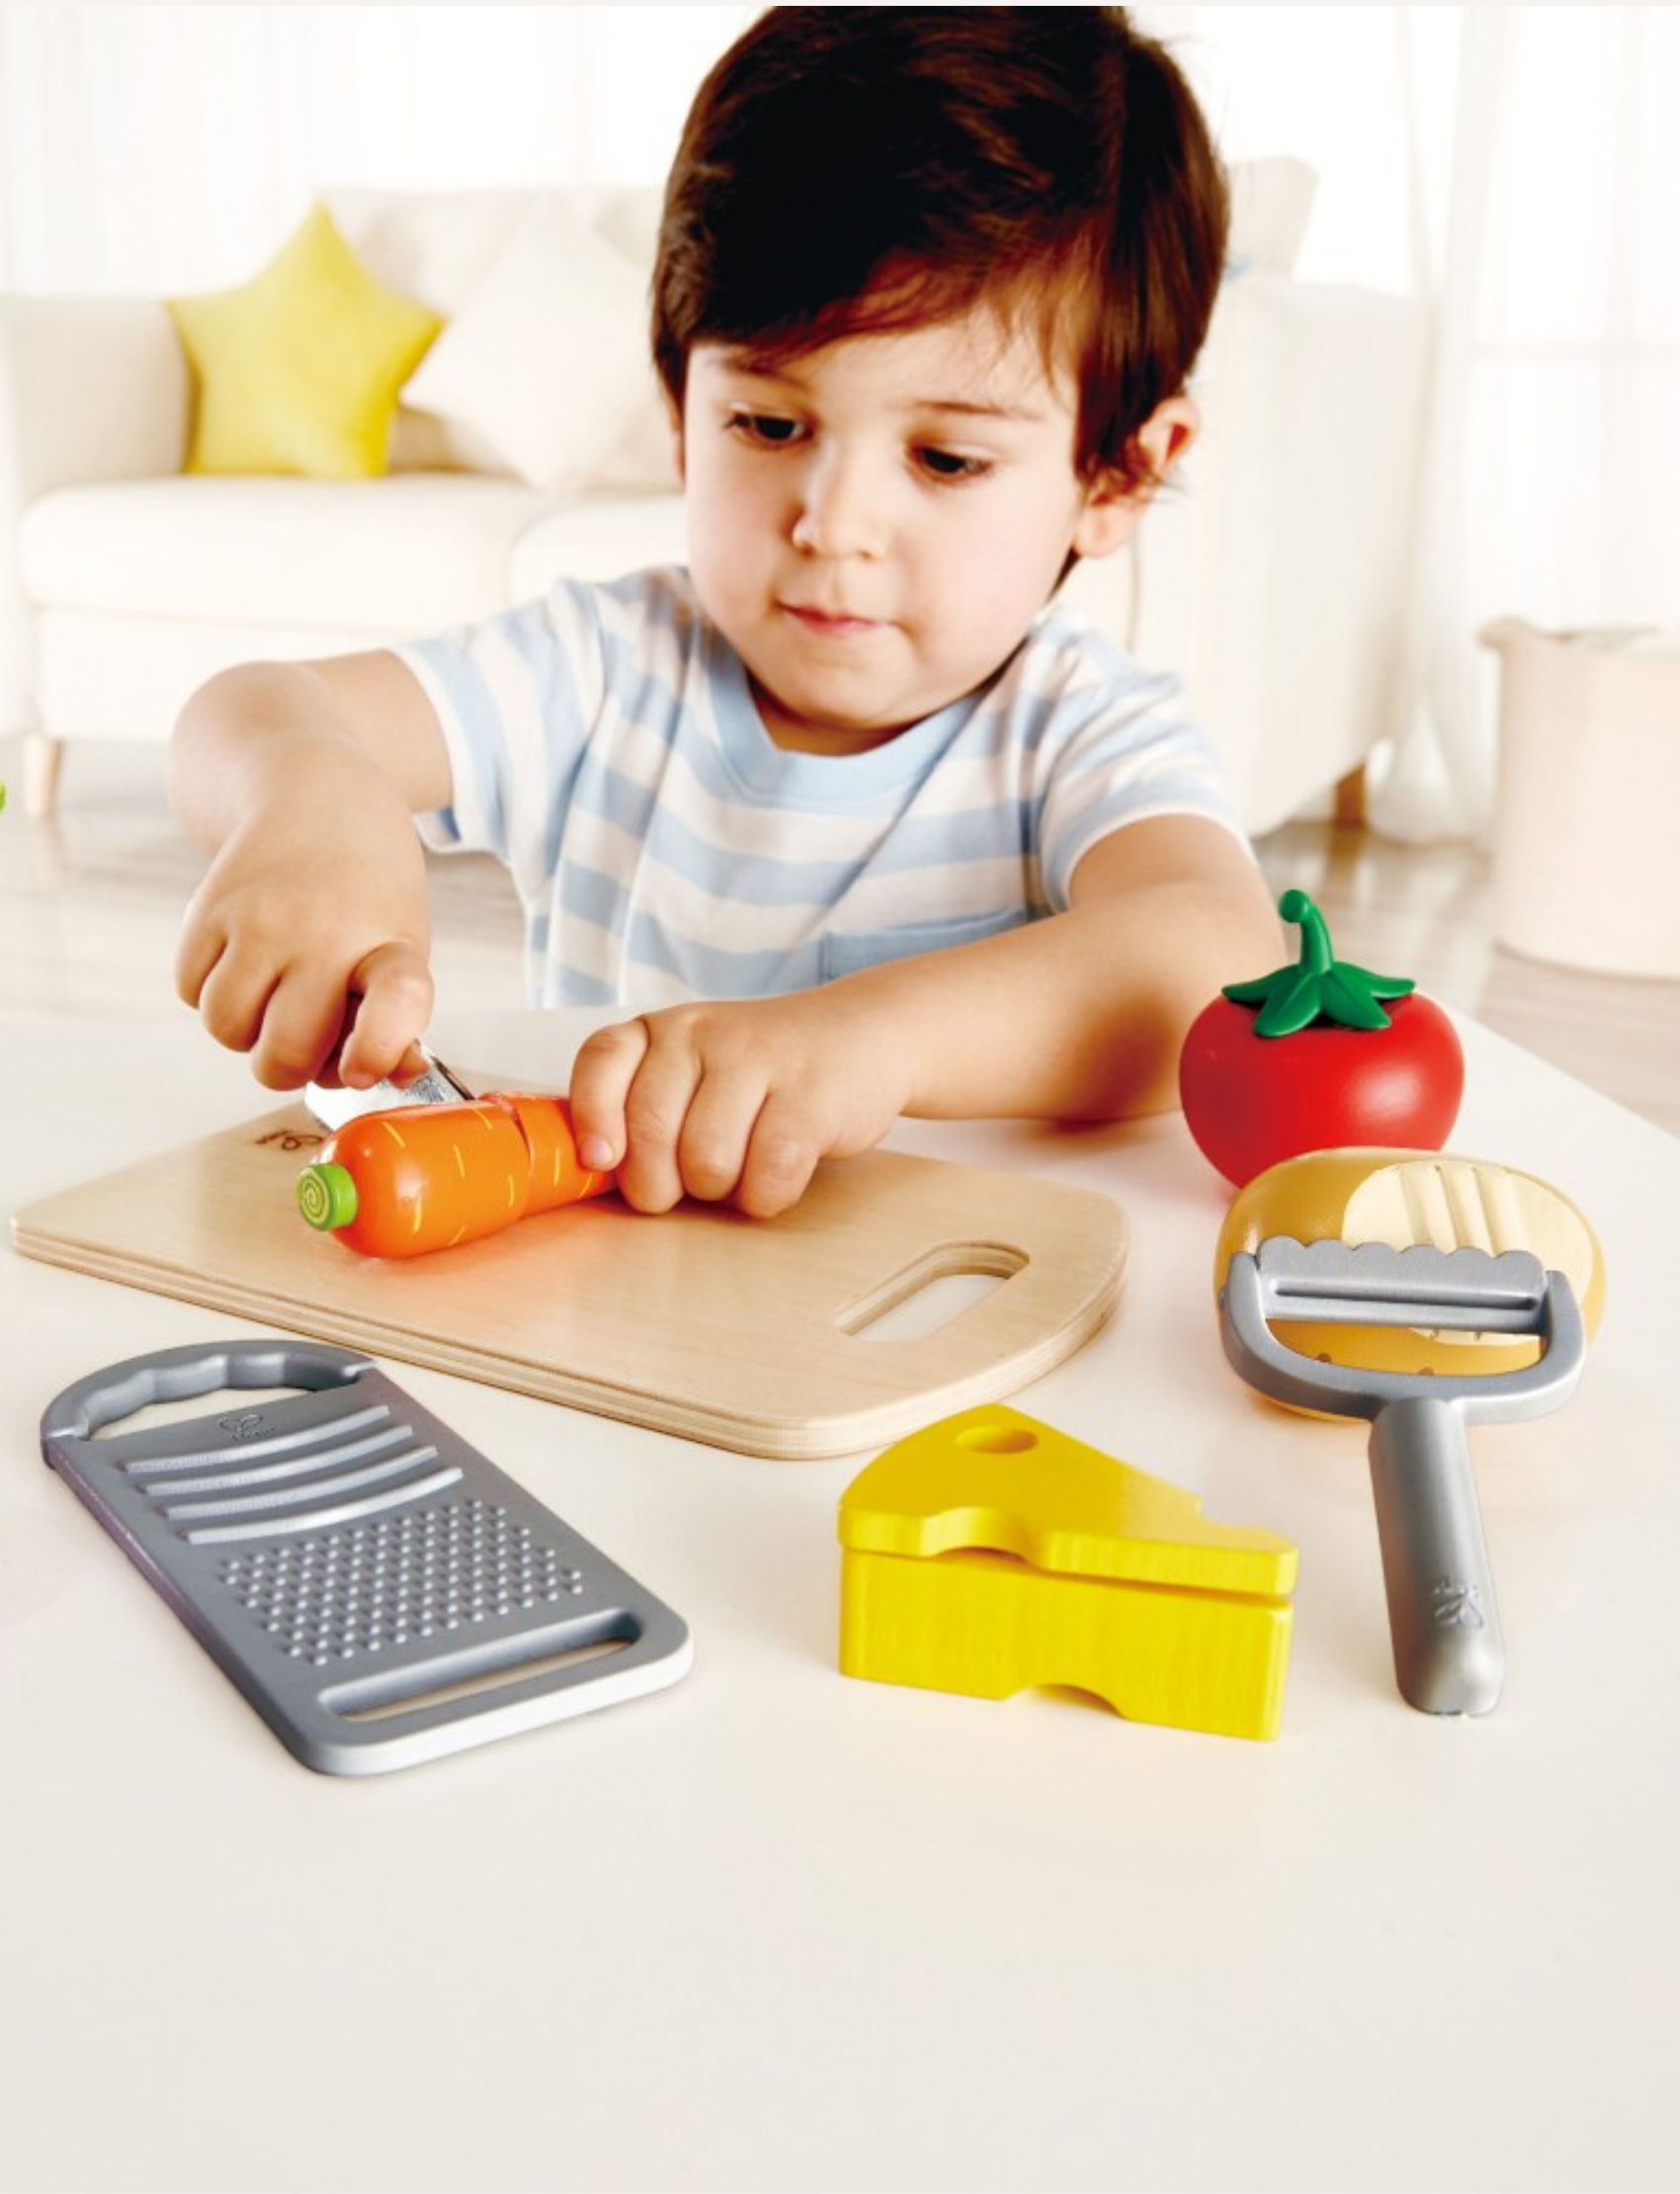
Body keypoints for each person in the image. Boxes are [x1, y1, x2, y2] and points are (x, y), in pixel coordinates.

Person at [169, 6, 1281, 1219]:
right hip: (615, 1312)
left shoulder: (1077, 733)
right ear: (676, 403)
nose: (832, 522)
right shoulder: (604, 668)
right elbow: (252, 710)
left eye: (945, 459)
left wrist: (865, 1042)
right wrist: (309, 800)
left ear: (1114, 473)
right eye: (767, 424)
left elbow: (1213, 959)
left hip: (937, 1310)